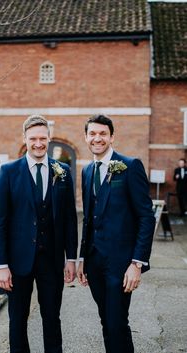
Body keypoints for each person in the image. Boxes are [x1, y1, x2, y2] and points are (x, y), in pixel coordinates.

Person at [0, 115, 78, 353]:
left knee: (52, 317)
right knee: (17, 319)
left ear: (49, 138)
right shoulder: (9, 171)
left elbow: (70, 219)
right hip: (17, 260)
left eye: (43, 138)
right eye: (33, 138)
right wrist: (1, 264)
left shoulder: (63, 170)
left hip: (51, 260)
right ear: (25, 139)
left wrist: (71, 258)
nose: (38, 143)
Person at [77, 114, 155, 353]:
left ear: (112, 137)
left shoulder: (130, 166)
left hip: (121, 264)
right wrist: (82, 258)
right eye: (93, 134)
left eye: (103, 134)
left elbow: (146, 217)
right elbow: (88, 219)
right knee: (106, 321)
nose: (97, 138)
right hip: (94, 261)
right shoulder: (87, 171)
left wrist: (137, 263)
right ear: (86, 137)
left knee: (117, 322)